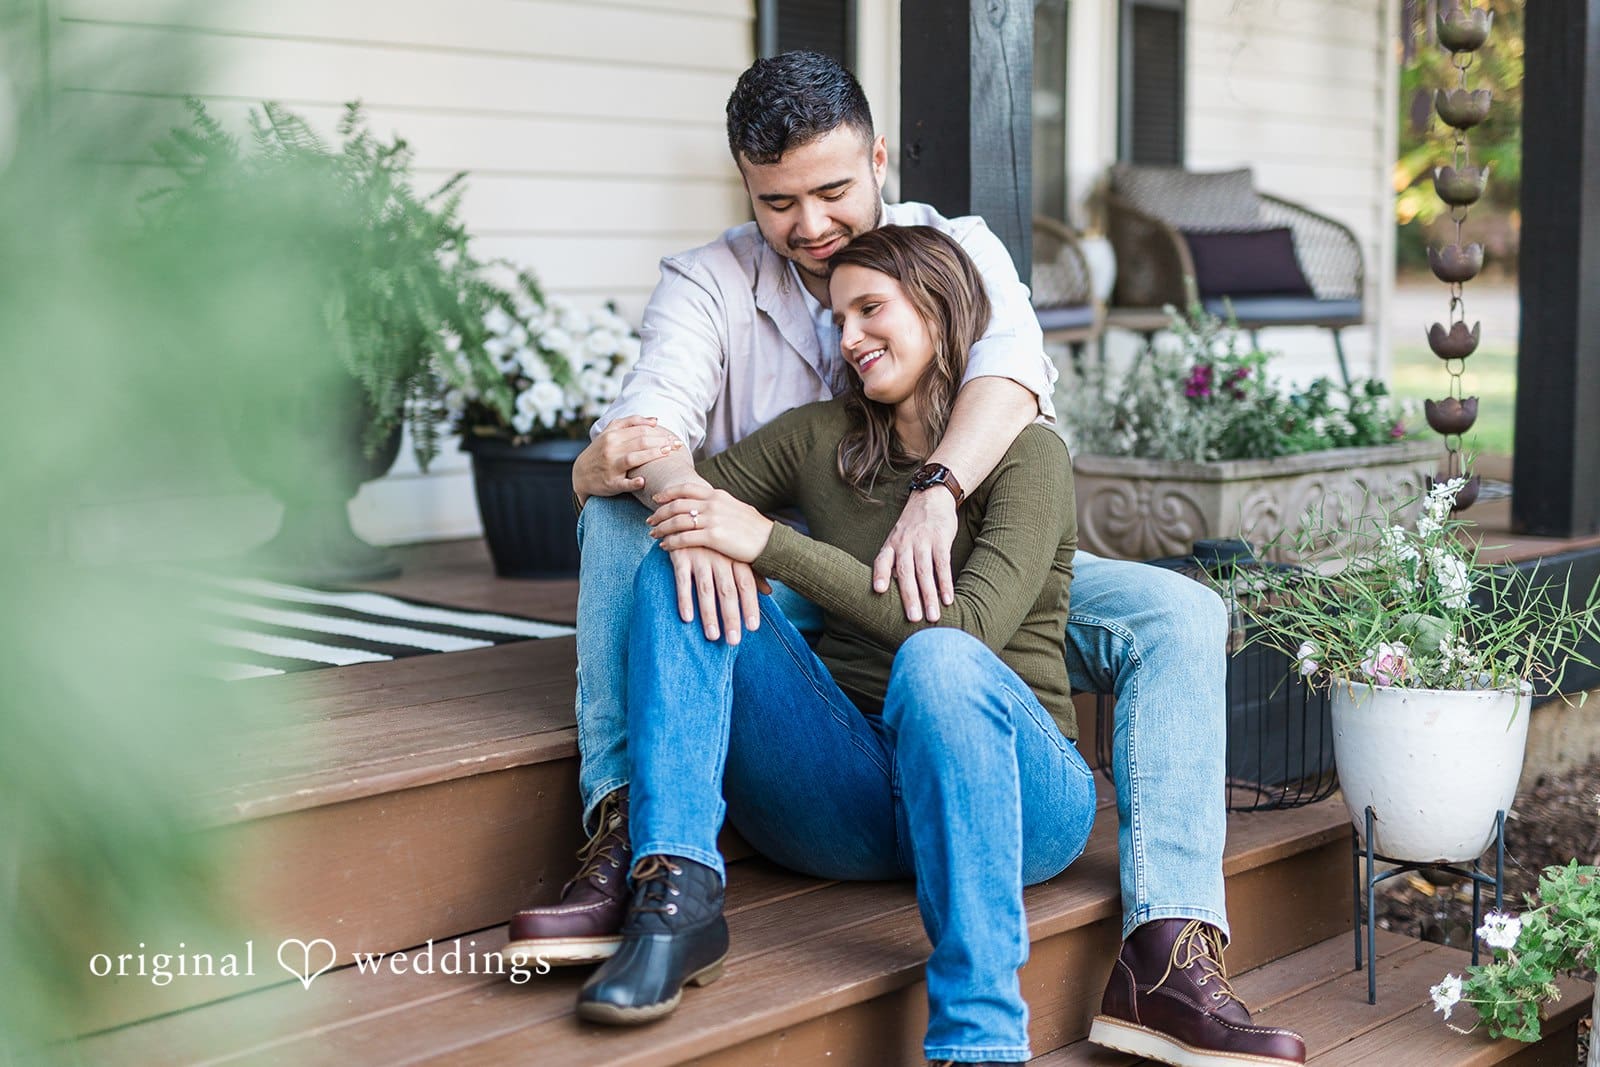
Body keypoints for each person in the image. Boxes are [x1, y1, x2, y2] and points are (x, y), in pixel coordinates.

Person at [505, 51, 1305, 1067]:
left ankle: (1167, 948)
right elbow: (650, 422)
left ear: (878, 158)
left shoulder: (953, 249)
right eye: (778, 201)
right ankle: (640, 842)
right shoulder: (714, 285)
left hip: (962, 557)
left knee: (1170, 613)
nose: (808, 224)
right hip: (794, 605)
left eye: (833, 190)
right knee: (645, 524)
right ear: (747, 189)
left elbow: (1011, 379)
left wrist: (937, 489)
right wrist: (650, 480)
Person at [571, 226, 1095, 1066]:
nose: (848, 338)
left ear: (939, 307)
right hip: (844, 795)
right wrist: (599, 472)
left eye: (870, 309)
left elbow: (964, 636)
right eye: (837, 316)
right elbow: (669, 497)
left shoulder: (1027, 453)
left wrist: (768, 545)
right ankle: (676, 892)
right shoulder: (821, 435)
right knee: (682, 559)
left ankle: (981, 1036)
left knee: (937, 660)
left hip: (1018, 798)